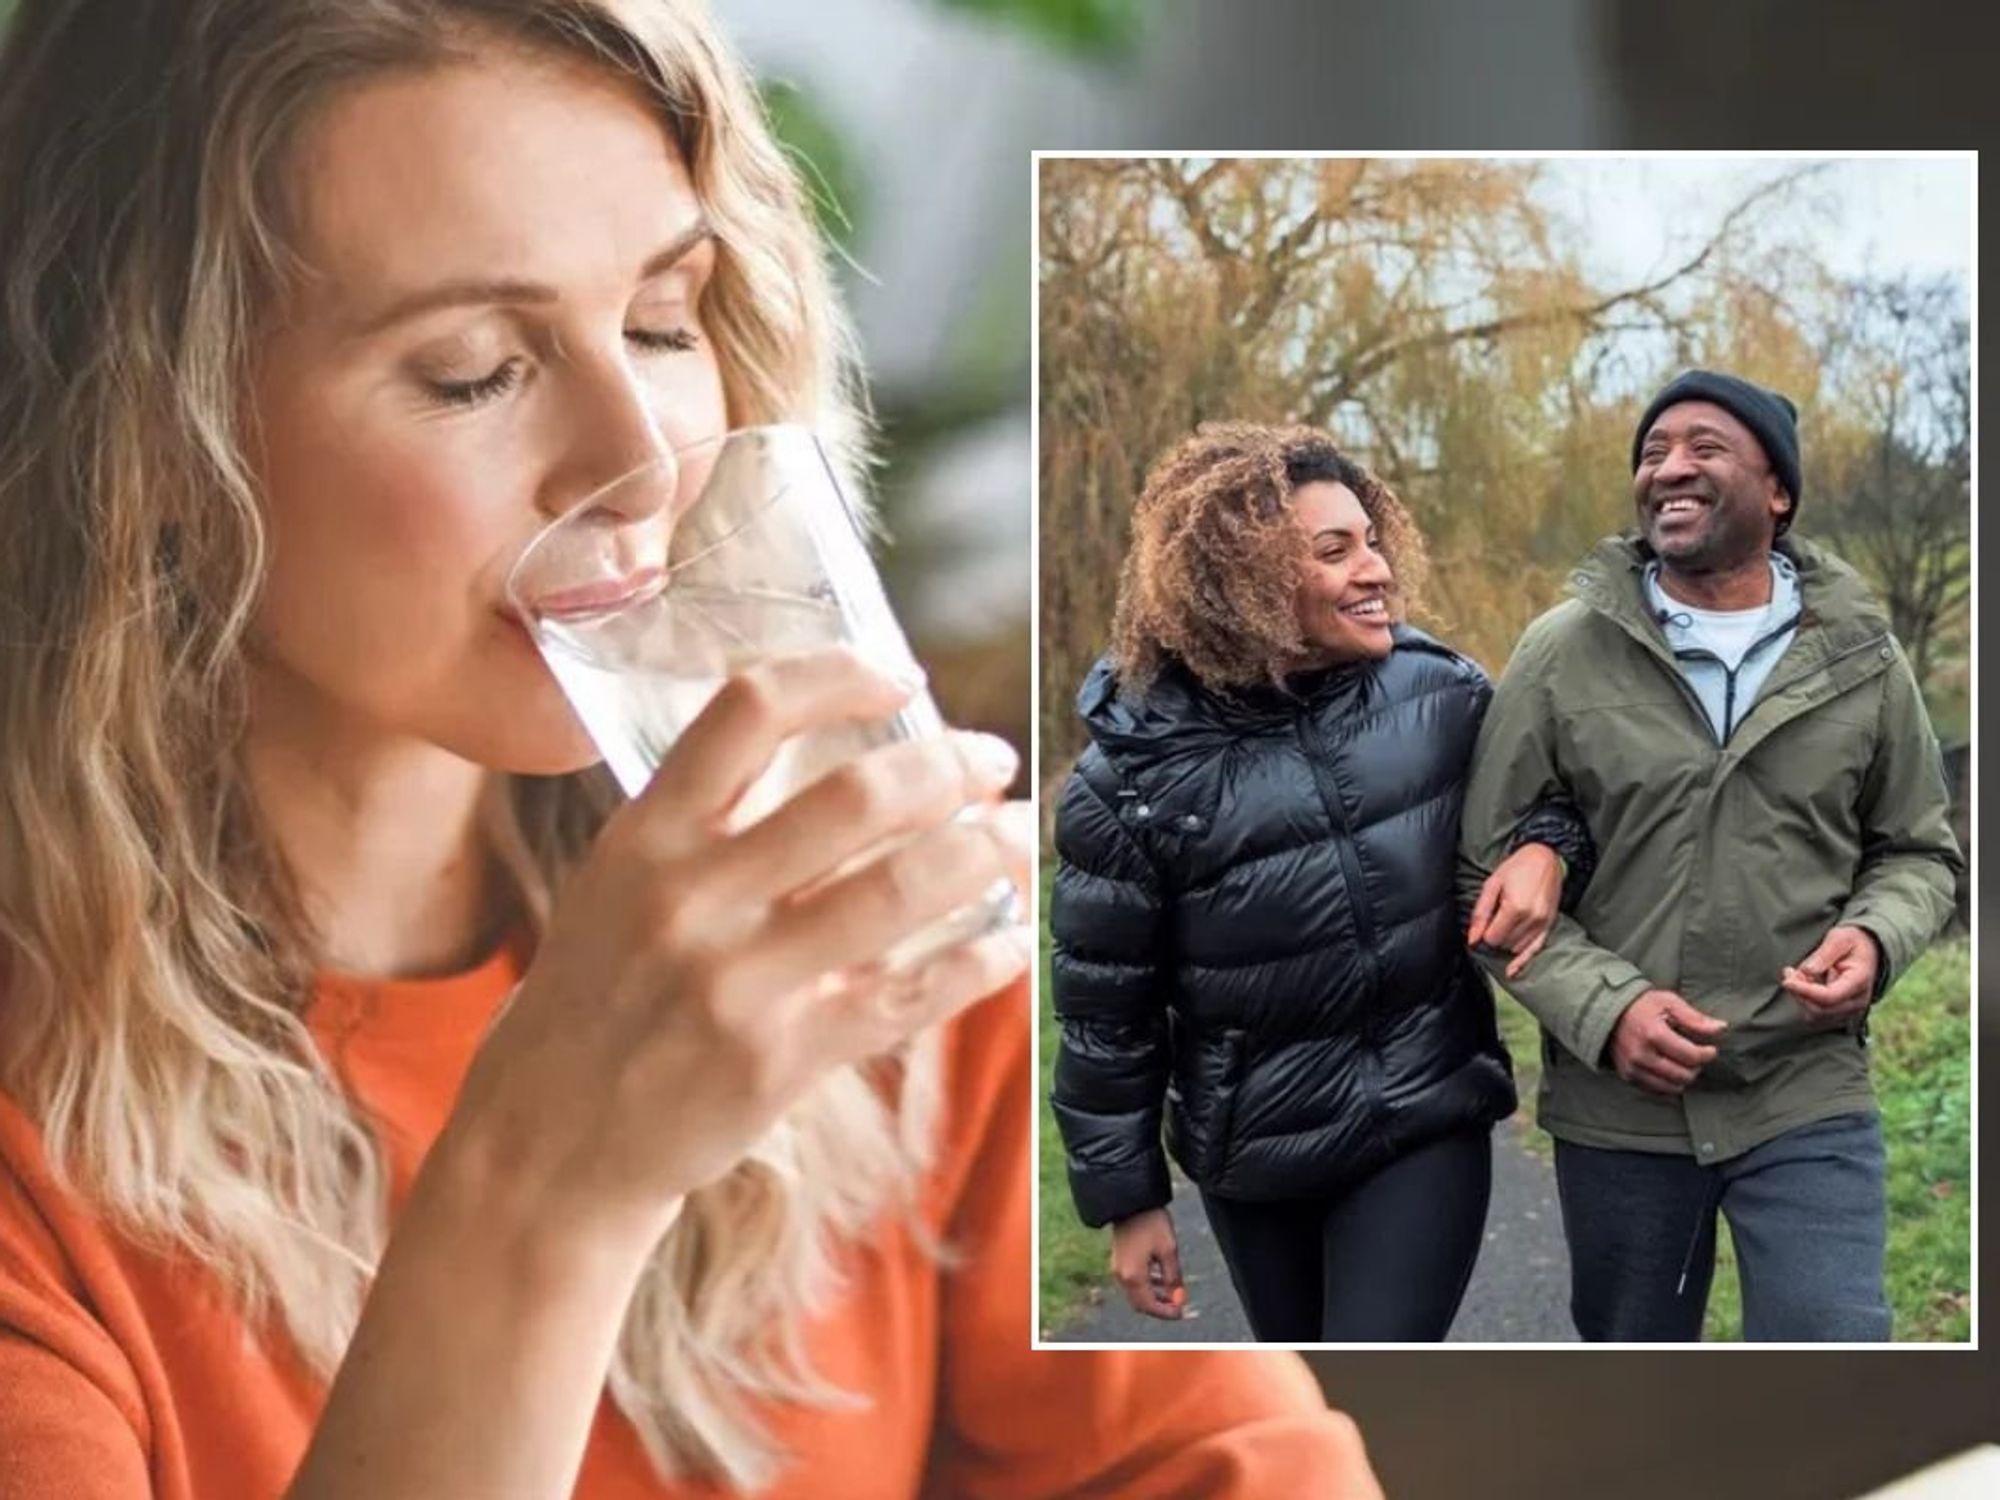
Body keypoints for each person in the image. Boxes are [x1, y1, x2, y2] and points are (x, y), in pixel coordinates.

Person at [0, 3, 1385, 1496]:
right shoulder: (40, 1169)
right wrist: (543, 1201)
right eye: (473, 369)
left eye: (664, 323)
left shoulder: (854, 920)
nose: (640, 461)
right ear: (137, 433)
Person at [1048, 422, 1596, 1343]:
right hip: (1253, 1158)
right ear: (1240, 580)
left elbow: (1561, 790)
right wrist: (1129, 1200)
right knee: (1310, 1388)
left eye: (1372, 539)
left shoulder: (1443, 696)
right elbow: (1106, 1014)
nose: (1376, 569)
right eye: (1333, 552)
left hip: (1424, 1118)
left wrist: (1548, 843)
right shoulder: (1130, 778)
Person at [1457, 368, 1962, 1342]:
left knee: (1832, 1364)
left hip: (1803, 1090)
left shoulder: (1861, 654)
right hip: (1621, 1111)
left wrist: (1875, 939)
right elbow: (1480, 873)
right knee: (1637, 1390)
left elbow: (1916, 852)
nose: (1668, 469)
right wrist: (1604, 1010)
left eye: (1702, 447)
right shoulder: (1561, 653)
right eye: (1651, 453)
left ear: (1777, 491)